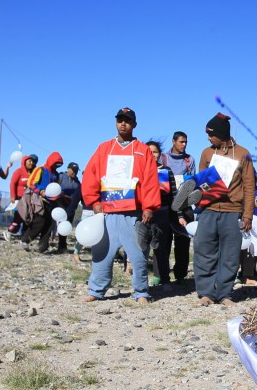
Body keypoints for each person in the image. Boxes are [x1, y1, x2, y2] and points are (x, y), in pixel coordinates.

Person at [80, 107, 160, 304]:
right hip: (106, 212)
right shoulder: (104, 148)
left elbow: (150, 180)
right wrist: (93, 201)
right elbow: (91, 174)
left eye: (127, 120)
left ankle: (141, 292)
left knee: (138, 255)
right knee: (102, 254)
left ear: (134, 124)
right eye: (120, 120)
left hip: (132, 213)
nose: (123, 123)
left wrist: (149, 206)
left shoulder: (142, 150)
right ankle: (96, 290)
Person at [193, 113, 255, 307]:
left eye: (211, 134)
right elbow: (200, 183)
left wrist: (248, 215)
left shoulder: (243, 153)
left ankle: (225, 293)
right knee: (204, 251)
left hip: (232, 211)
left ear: (222, 133)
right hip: (208, 210)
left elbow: (249, 186)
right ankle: (206, 293)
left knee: (229, 254)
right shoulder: (206, 153)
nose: (208, 138)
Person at [146, 140, 191, 293]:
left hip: (163, 213)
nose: (152, 155)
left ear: (160, 154)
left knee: (162, 248)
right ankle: (143, 282)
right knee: (144, 248)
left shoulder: (166, 171)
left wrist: (179, 215)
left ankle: (165, 279)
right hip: (144, 215)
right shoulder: (140, 170)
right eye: (149, 151)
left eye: (155, 152)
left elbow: (174, 195)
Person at [159, 131, 195, 286]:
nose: (184, 145)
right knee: (163, 241)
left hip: (184, 205)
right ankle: (161, 274)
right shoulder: (163, 158)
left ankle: (180, 274)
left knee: (183, 243)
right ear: (173, 142)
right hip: (166, 206)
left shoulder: (189, 160)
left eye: (186, 142)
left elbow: (193, 181)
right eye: (181, 142)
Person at [21, 152, 63, 253]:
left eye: (59, 165)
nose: (56, 166)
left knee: (49, 224)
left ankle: (43, 246)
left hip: (51, 202)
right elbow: (30, 183)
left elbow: (56, 187)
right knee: (39, 221)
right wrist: (41, 191)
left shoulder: (56, 174)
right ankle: (26, 240)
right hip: (39, 200)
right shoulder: (40, 169)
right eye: (55, 164)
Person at [5, 154, 38, 240]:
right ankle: (9, 232)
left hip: (30, 199)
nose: (31, 163)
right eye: (29, 161)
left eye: (32, 161)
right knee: (19, 217)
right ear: (24, 162)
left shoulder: (33, 173)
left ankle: (24, 235)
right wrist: (13, 195)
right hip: (19, 198)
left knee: (28, 218)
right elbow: (12, 183)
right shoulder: (18, 171)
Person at [57, 162, 81, 253]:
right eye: (73, 170)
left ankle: (63, 245)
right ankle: (60, 245)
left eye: (76, 171)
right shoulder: (61, 177)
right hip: (60, 205)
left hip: (71, 206)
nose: (74, 172)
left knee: (67, 225)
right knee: (61, 224)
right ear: (68, 169)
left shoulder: (77, 182)